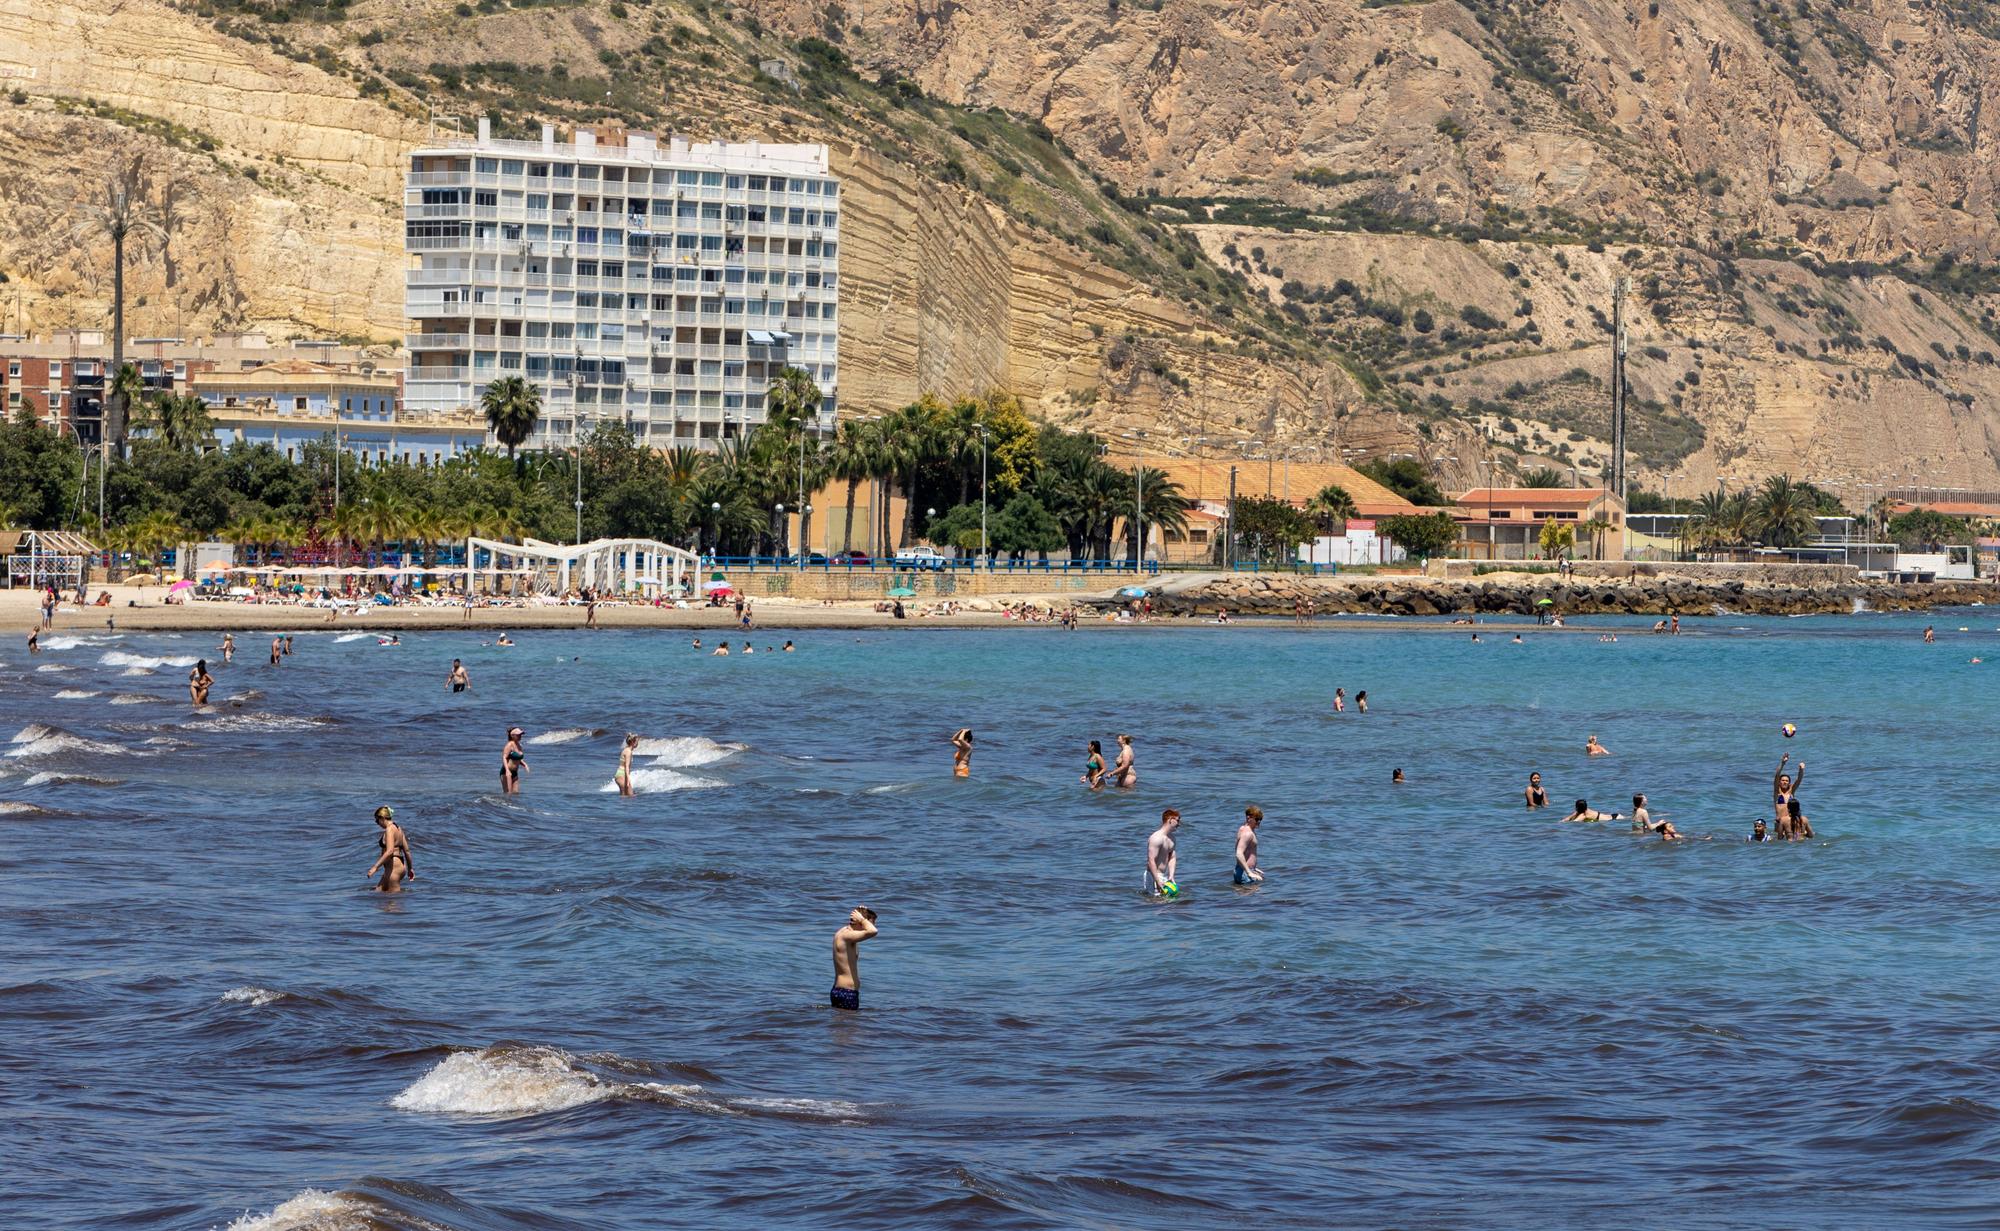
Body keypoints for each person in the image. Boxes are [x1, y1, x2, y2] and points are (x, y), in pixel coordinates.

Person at [830, 905, 878, 1011]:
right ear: (860, 922)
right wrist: (862, 918)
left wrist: (860, 912)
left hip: (842, 991)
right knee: (850, 1027)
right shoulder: (846, 936)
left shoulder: (844, 933)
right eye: (871, 922)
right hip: (847, 992)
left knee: (843, 1025)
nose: (872, 925)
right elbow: (873, 931)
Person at [366, 805, 413, 892]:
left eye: (377, 820)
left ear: (383, 818)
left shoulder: (390, 829)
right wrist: (410, 869)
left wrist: (375, 867)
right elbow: (407, 851)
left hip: (394, 869)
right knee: (378, 891)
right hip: (399, 867)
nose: (377, 823)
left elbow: (390, 851)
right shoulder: (398, 828)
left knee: (393, 902)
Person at [1146, 809, 1181, 897]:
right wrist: (1157, 880)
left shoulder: (1172, 838)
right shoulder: (1156, 838)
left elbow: (1172, 857)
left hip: (1163, 875)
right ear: (1170, 820)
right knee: (1158, 904)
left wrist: (1171, 875)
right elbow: (1151, 860)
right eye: (1177, 820)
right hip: (1153, 875)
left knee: (1170, 902)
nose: (1179, 824)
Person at [1233, 805, 1263, 885]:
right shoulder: (1248, 833)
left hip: (1241, 870)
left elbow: (1239, 849)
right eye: (1257, 819)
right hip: (1245, 873)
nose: (1259, 822)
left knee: (1243, 896)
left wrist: (1254, 868)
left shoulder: (1242, 829)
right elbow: (1239, 854)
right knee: (1257, 896)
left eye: (1260, 819)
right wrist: (1249, 872)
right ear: (1249, 818)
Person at [1773, 754, 1804, 827]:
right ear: (1779, 782)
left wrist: (1801, 770)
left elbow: (1799, 779)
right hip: (1779, 822)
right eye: (1782, 780)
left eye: (1786, 781)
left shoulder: (1791, 792)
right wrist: (1782, 763)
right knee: (1779, 838)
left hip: (1791, 822)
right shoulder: (1777, 792)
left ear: (1789, 783)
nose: (1784, 782)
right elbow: (1777, 775)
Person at [501, 727, 528, 794]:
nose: (520, 736)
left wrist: (524, 764)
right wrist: (507, 771)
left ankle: (514, 805)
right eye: (518, 735)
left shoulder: (519, 745)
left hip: (515, 773)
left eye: (521, 735)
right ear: (512, 736)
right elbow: (504, 757)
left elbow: (518, 758)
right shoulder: (509, 745)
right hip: (506, 773)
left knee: (516, 793)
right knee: (508, 793)